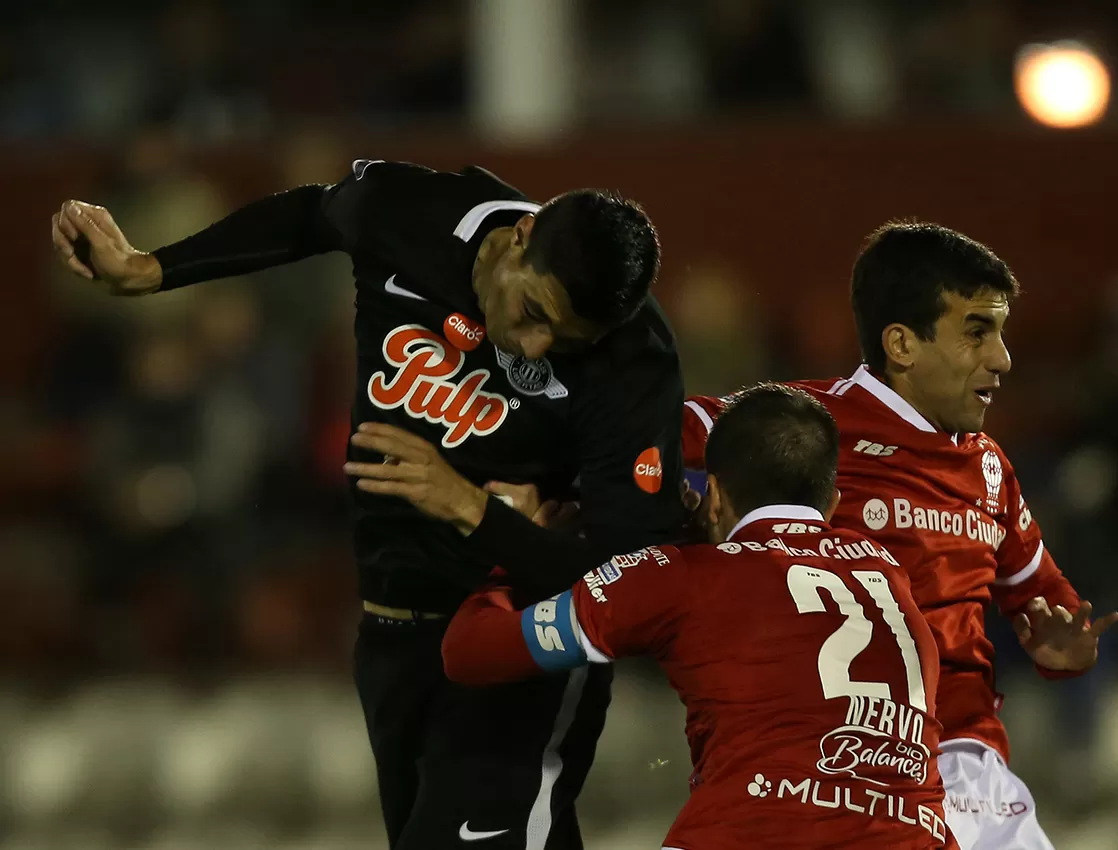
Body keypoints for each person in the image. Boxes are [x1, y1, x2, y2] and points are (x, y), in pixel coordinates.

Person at [50, 160, 686, 849]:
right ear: (520, 237)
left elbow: (633, 578)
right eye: (533, 314)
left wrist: (475, 511)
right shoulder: (412, 212)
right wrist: (153, 270)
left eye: (566, 343)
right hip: (392, 632)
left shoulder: (634, 356)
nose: (534, 347)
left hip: (519, 647)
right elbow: (311, 216)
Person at [682, 222, 1118, 850]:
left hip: (968, 770)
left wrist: (1063, 646)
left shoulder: (989, 466)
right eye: (977, 332)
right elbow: (661, 434)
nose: (1002, 358)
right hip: (845, 766)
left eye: (1000, 332)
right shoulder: (808, 427)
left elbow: (1042, 598)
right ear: (902, 344)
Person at [443, 384, 954, 850]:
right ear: (834, 501)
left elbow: (471, 651)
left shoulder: (682, 576)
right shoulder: (888, 571)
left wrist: (515, 551)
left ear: (712, 496)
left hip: (750, 832)